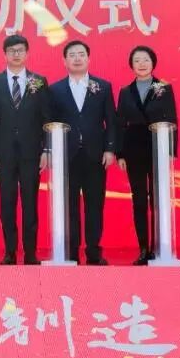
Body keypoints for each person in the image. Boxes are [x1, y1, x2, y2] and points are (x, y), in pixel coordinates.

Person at [47, 40, 117, 265]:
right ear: (64, 60)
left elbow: (111, 121)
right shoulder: (55, 89)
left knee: (95, 205)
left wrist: (110, 148)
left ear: (88, 58)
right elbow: (49, 123)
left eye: (81, 54)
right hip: (66, 157)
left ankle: (94, 252)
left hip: (95, 155)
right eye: (72, 55)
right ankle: (71, 252)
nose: (77, 58)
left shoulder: (102, 86)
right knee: (69, 207)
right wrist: (50, 151)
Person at [0, 34, 51, 265]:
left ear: (27, 53)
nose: (16, 54)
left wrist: (47, 150)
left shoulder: (39, 81)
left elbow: (47, 118)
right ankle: (10, 252)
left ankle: (31, 253)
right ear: (5, 54)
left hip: (31, 153)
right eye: (12, 51)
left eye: (20, 50)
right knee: (7, 202)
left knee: (30, 203)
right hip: (3, 153)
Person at [116, 45, 177, 265]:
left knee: (158, 199)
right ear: (131, 65)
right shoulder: (125, 91)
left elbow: (172, 119)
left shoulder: (164, 88)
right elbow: (120, 123)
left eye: (145, 60)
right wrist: (120, 154)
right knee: (139, 200)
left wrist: (170, 151)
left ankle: (161, 246)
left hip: (158, 147)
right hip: (134, 150)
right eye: (137, 60)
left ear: (153, 63)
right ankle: (144, 248)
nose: (141, 64)